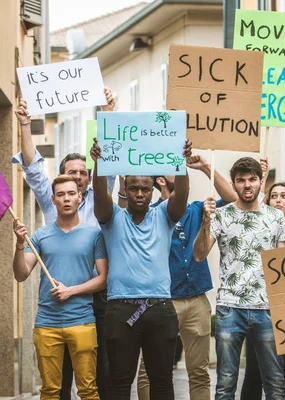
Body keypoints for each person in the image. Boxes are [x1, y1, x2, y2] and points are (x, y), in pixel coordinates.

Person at [12, 91, 115, 400]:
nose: (79, 179)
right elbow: (33, 169)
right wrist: (25, 125)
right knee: (56, 383)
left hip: (95, 299)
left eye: (83, 174)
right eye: (72, 173)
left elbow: (106, 166)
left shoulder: (98, 199)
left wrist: (106, 114)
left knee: (98, 374)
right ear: (59, 188)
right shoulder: (51, 204)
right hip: (54, 309)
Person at [91, 138, 191, 399]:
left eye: (145, 189)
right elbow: (101, 195)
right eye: (133, 188)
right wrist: (99, 163)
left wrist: (180, 163)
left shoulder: (164, 215)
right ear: (125, 187)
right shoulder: (112, 218)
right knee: (119, 382)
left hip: (159, 308)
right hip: (121, 308)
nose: (138, 193)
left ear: (152, 191)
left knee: (161, 381)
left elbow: (182, 195)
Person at [136, 155, 238, 400]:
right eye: (175, 169)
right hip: (159, 300)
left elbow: (234, 200)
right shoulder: (147, 215)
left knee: (199, 371)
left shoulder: (195, 209)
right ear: (161, 180)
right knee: (149, 371)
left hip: (196, 300)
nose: (182, 172)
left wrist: (205, 167)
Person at [193, 157, 285, 400]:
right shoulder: (221, 215)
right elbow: (198, 254)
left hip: (267, 308)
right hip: (229, 308)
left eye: (252, 180)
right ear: (234, 185)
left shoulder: (275, 217)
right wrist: (206, 222)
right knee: (225, 384)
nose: (247, 185)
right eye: (241, 180)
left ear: (260, 182)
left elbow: (282, 264)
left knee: (276, 383)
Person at [12, 175, 108, 399]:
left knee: (88, 390)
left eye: (71, 194)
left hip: (83, 321)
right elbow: (20, 274)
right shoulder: (40, 236)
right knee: (50, 391)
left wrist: (71, 291)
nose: (66, 199)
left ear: (80, 198)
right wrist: (19, 244)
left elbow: (103, 279)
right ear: (53, 200)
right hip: (47, 324)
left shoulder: (94, 235)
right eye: (61, 195)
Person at [241, 178, 285, 400]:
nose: (278, 200)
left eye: (284, 196)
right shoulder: (257, 229)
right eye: (274, 196)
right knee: (254, 373)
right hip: (259, 309)